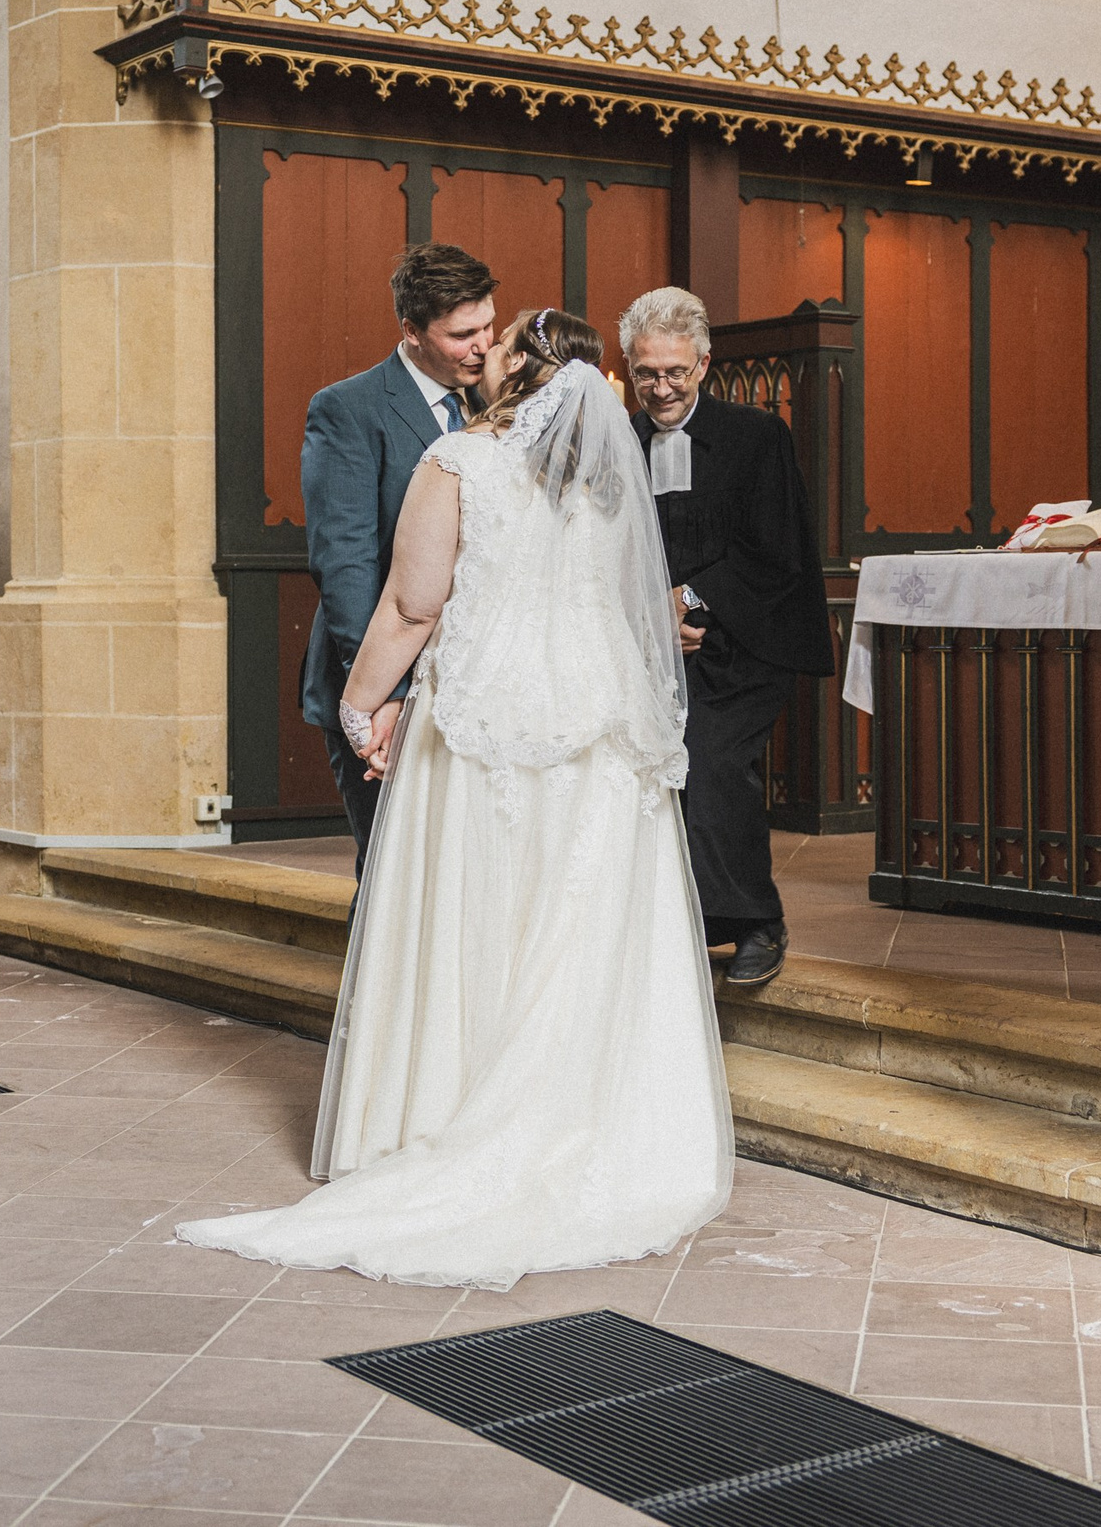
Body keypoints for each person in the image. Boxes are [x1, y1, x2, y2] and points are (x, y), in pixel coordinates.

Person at [179, 309, 732, 1290]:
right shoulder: (611, 485)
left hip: (483, 727)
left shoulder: (457, 464)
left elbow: (409, 606)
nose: (480, 353)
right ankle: (603, 1123)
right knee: (582, 927)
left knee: (474, 916)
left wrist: (360, 710)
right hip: (597, 735)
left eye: (499, 343)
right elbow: (644, 612)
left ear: (521, 370)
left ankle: (440, 1116)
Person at [622, 287, 835, 988]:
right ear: (628, 367)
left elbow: (775, 548)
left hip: (741, 645)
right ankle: (683, 921)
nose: (662, 388)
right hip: (646, 650)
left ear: (704, 363)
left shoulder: (755, 437)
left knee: (708, 756)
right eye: (647, 372)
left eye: (675, 372)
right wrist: (646, 615)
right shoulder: (619, 440)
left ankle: (756, 922)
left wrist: (688, 598)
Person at [298, 243, 498, 873]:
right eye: (462, 334)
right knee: (394, 873)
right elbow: (347, 561)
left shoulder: (497, 403)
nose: (484, 346)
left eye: (489, 325)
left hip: (476, 685)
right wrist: (385, 692)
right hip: (386, 682)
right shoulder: (349, 409)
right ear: (411, 332)